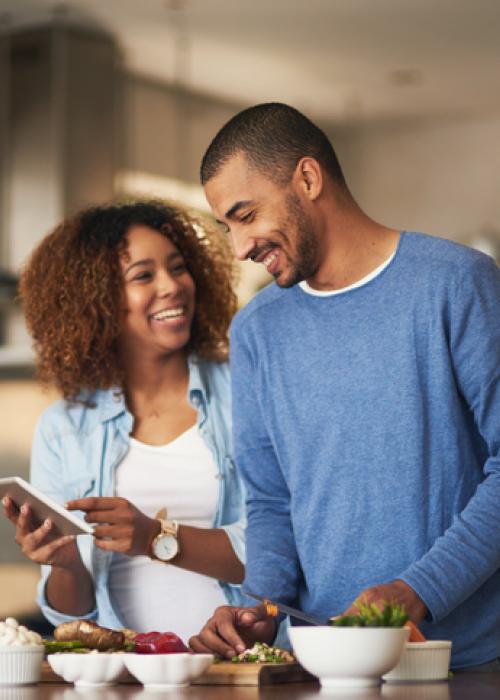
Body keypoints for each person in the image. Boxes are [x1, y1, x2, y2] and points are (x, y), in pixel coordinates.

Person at [189, 102, 500, 670]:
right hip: (315, 666)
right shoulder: (256, 330)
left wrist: (416, 592)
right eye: (227, 227)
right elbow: (272, 500)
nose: (239, 247)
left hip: (460, 664)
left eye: (247, 214)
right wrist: (262, 605)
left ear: (307, 178)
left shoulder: (457, 284)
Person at [2, 201, 246, 643]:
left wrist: (155, 537)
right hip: (127, 675)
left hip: (241, 667)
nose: (172, 286)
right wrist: (64, 562)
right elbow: (70, 618)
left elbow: (279, 553)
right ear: (96, 301)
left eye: (178, 267)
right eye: (143, 276)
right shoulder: (65, 428)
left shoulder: (245, 393)